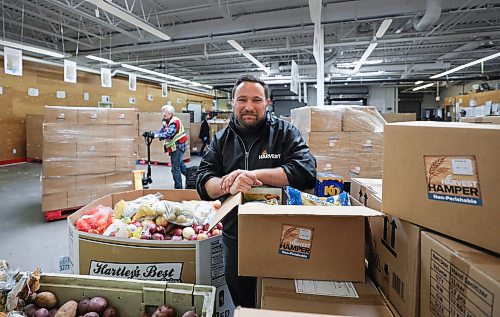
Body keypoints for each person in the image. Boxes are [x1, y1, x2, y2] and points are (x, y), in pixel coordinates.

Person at [195, 74, 316, 308]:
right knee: (245, 303)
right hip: (236, 239)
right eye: (242, 100)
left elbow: (306, 170)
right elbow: (203, 180)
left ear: (267, 103)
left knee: (283, 303)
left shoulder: (284, 133)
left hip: (284, 237)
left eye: (256, 100)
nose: (249, 107)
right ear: (233, 103)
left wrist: (254, 175)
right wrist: (226, 184)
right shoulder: (221, 140)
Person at [155, 104, 188, 189]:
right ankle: (193, 177)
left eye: (165, 112)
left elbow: (169, 133)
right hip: (175, 147)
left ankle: (178, 188)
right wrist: (154, 134)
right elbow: (162, 129)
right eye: (163, 112)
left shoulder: (174, 122)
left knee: (175, 168)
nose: (163, 114)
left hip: (178, 147)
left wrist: (157, 136)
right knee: (180, 165)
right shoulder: (167, 120)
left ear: (170, 113)